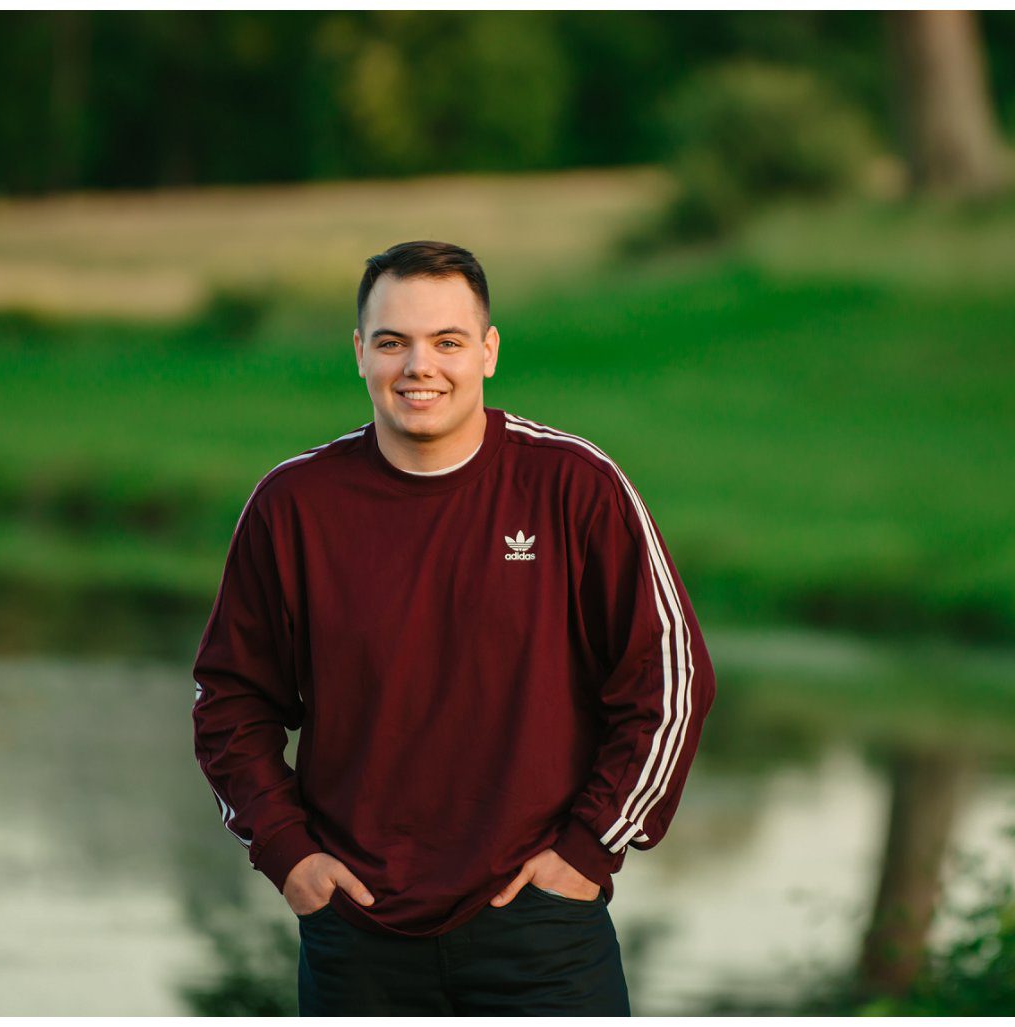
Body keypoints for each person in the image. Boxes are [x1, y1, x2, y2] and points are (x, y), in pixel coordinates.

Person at [192, 240, 715, 1014]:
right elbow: (230, 700)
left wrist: (587, 850)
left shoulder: (573, 485)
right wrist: (287, 852)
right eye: (392, 342)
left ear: (488, 351)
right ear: (359, 352)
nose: (419, 367)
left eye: (447, 341)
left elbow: (670, 680)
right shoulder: (294, 504)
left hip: (542, 930)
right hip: (357, 935)